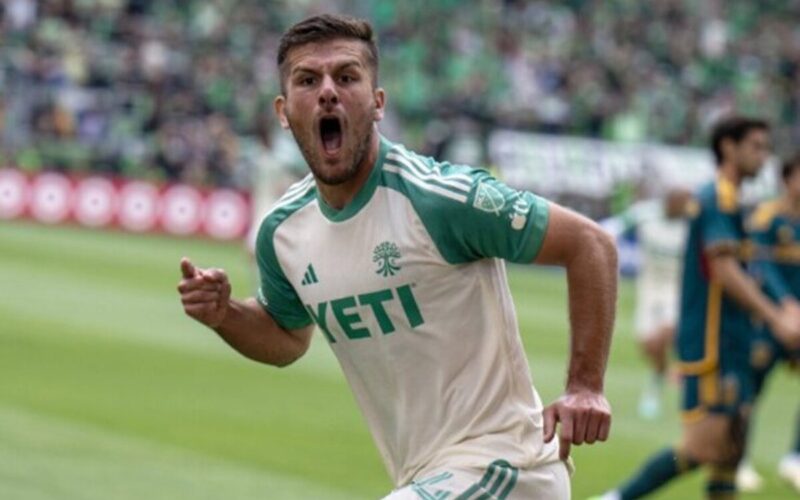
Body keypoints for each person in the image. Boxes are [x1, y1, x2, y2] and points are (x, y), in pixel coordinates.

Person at [177, 14, 618, 499]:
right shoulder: (283, 232)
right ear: (283, 111)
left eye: (346, 77)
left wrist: (584, 386)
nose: (328, 91)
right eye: (308, 80)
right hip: (429, 477)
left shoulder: (440, 199)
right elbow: (286, 338)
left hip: (508, 465)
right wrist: (226, 315)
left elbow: (589, 244)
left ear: (377, 102)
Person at [593, 116, 800, 500]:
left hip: (735, 342)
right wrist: (777, 318)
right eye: (756, 146)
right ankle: (614, 498)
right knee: (704, 448)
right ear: (728, 148)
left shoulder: (735, 201)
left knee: (731, 451)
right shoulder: (715, 198)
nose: (764, 155)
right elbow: (724, 271)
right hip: (711, 345)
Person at [602, 189, 691, 420]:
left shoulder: (693, 224)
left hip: (676, 291)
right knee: (647, 345)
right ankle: (660, 375)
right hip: (649, 289)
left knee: (663, 334)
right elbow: (611, 227)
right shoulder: (645, 215)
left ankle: (671, 377)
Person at [742, 153, 800, 493]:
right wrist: (786, 306)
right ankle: (740, 460)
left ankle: (794, 457)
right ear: (786, 179)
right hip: (769, 320)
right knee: (751, 390)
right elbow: (761, 268)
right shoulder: (767, 217)